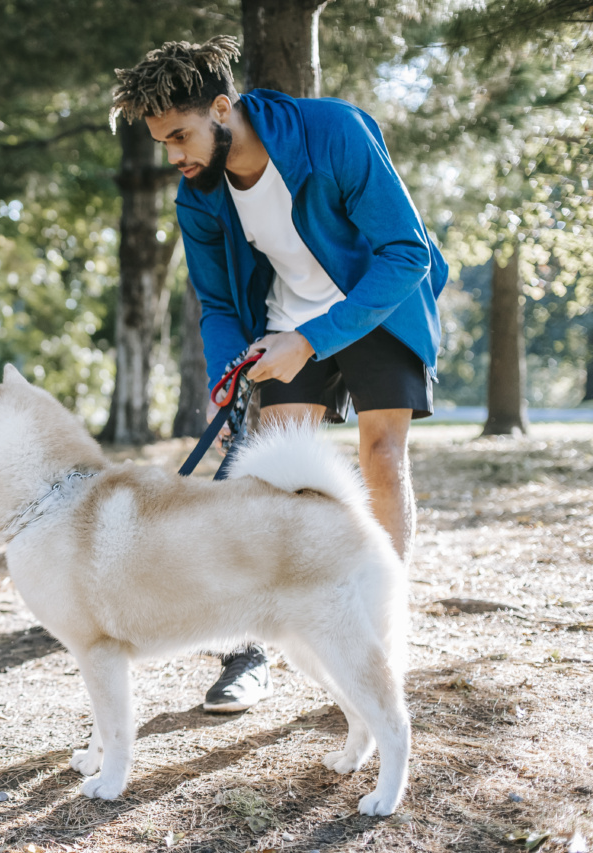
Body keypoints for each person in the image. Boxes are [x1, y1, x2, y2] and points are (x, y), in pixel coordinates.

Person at [110, 36, 445, 713]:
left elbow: (405, 252)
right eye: (163, 143)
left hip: (376, 305)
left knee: (380, 459)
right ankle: (249, 653)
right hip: (285, 321)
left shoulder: (333, 132)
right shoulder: (198, 195)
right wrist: (231, 370)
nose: (175, 157)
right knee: (269, 482)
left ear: (224, 107)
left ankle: (380, 641)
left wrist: (314, 339)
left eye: (181, 135)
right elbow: (218, 305)